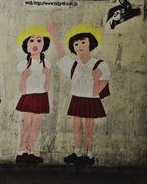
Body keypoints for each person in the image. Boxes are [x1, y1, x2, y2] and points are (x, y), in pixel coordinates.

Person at [47, 20, 110, 166]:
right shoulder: (73, 65)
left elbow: (102, 84)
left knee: (88, 127)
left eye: (83, 42)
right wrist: (54, 35)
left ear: (90, 43)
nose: (80, 46)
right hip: (77, 98)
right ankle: (77, 152)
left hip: (91, 100)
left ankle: (89, 154)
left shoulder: (100, 64)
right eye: (76, 44)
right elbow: (61, 55)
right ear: (73, 48)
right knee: (77, 127)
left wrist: (96, 81)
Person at [15, 26, 51, 164]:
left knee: (36, 126)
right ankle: (21, 152)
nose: (35, 44)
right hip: (29, 96)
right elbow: (22, 89)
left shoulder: (46, 63)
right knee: (27, 125)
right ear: (26, 45)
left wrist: (48, 76)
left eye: (39, 40)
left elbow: (47, 87)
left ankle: (30, 152)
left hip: (41, 96)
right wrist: (24, 77)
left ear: (44, 44)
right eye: (31, 40)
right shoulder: (23, 64)